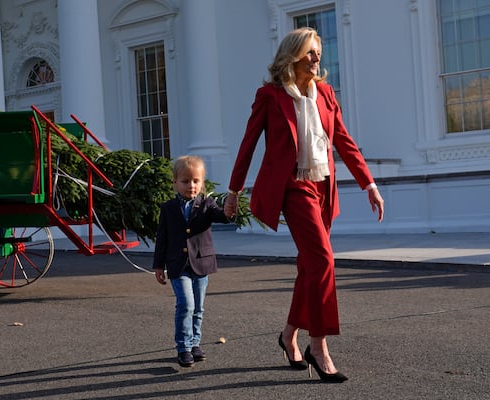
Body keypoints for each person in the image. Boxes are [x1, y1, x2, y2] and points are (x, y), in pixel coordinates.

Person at [224, 27, 384, 382]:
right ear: (292, 56)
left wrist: (368, 184)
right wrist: (234, 191)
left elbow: (343, 140)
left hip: (324, 186)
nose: (317, 59)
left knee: (309, 266)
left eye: (318, 54)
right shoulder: (270, 95)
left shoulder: (325, 93)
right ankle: (319, 346)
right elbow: (248, 144)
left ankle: (287, 335)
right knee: (323, 260)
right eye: (310, 53)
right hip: (294, 188)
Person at [153, 155, 231, 367]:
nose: (191, 185)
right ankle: (183, 347)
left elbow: (223, 216)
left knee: (198, 307)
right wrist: (158, 266)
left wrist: (230, 207)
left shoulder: (208, 205)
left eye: (196, 181)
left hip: (201, 264)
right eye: (185, 181)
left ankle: (195, 343)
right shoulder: (167, 209)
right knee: (186, 305)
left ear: (202, 183)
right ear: (175, 183)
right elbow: (162, 238)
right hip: (178, 265)